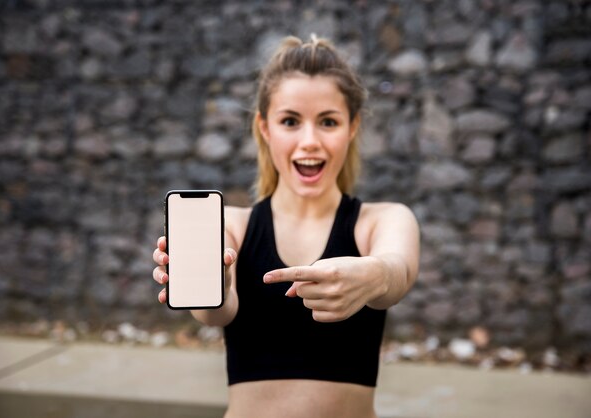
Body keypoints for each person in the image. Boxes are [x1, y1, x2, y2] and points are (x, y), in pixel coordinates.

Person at [152, 35, 420, 418]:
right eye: (290, 121)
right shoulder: (233, 225)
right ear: (264, 127)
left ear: (353, 127)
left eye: (328, 121)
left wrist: (374, 276)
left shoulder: (383, 220)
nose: (309, 141)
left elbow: (398, 271)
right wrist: (213, 284)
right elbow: (216, 313)